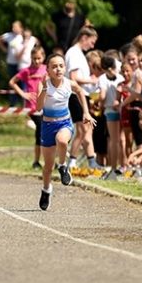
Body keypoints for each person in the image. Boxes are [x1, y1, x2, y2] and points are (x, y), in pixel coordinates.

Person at [35, 53, 95, 211]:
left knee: (62, 141)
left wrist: (86, 113)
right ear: (47, 69)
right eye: (54, 66)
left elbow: (81, 92)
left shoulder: (69, 83)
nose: (58, 69)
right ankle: (46, 190)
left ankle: (62, 166)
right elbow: (38, 108)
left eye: (61, 66)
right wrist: (44, 90)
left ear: (65, 68)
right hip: (47, 125)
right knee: (47, 167)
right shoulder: (43, 84)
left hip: (64, 123)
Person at [64, 26, 100, 169]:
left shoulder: (78, 53)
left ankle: (89, 161)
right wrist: (91, 80)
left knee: (86, 128)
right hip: (76, 95)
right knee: (83, 129)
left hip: (81, 94)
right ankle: (76, 161)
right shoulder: (74, 53)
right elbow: (74, 78)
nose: (92, 46)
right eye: (91, 42)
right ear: (84, 37)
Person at [10, 45, 47, 169]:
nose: (37, 61)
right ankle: (37, 161)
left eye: (39, 58)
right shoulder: (26, 71)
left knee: (46, 132)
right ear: (31, 58)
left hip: (46, 106)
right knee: (41, 130)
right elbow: (12, 82)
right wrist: (23, 94)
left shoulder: (46, 70)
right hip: (32, 107)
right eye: (34, 58)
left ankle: (49, 160)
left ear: (43, 57)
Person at [98, 55, 124, 180]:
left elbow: (102, 96)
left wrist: (99, 103)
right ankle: (123, 165)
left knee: (114, 140)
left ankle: (114, 168)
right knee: (122, 139)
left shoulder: (102, 79)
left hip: (110, 110)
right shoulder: (120, 77)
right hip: (122, 109)